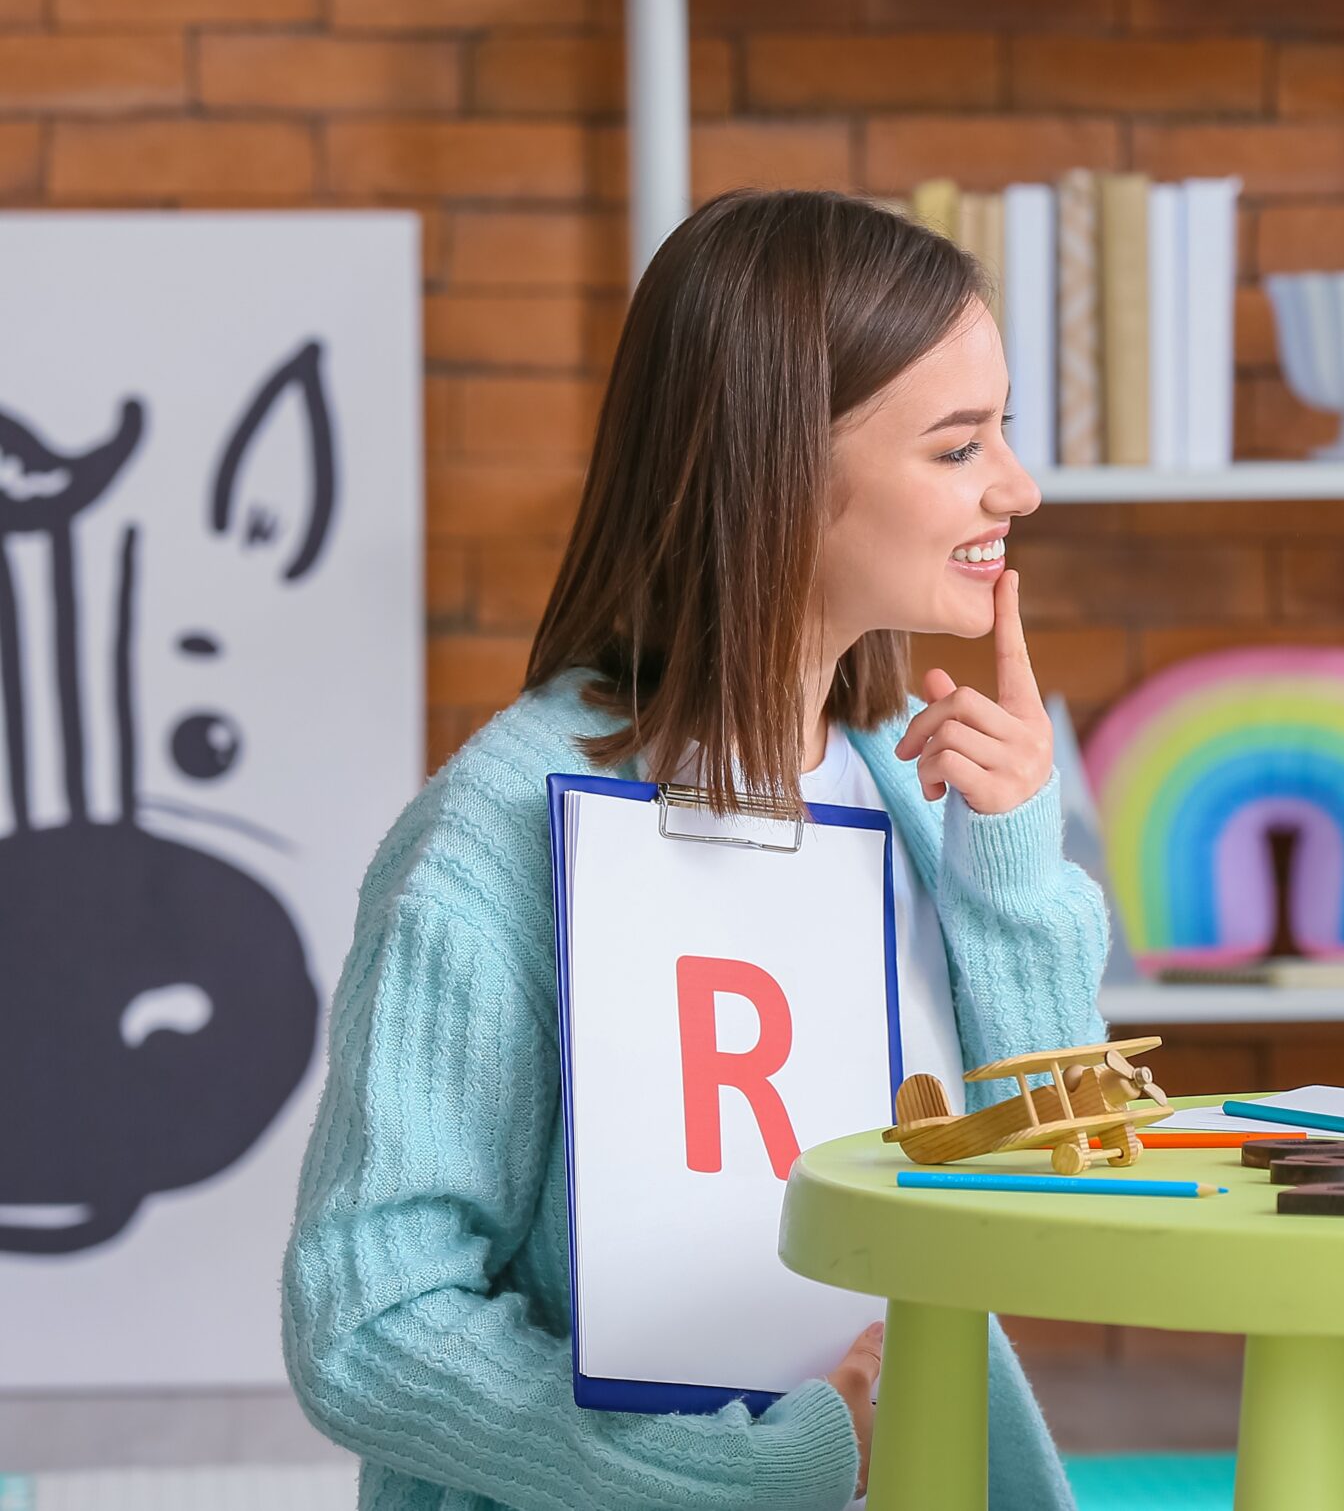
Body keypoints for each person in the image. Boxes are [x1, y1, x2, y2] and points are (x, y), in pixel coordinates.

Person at [282, 189, 1103, 1511]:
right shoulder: (491, 846)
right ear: (783, 472)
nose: (1020, 485)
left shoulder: (913, 779)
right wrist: (758, 1465)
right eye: (960, 446)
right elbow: (368, 1321)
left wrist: (1011, 867)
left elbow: (1063, 1193)